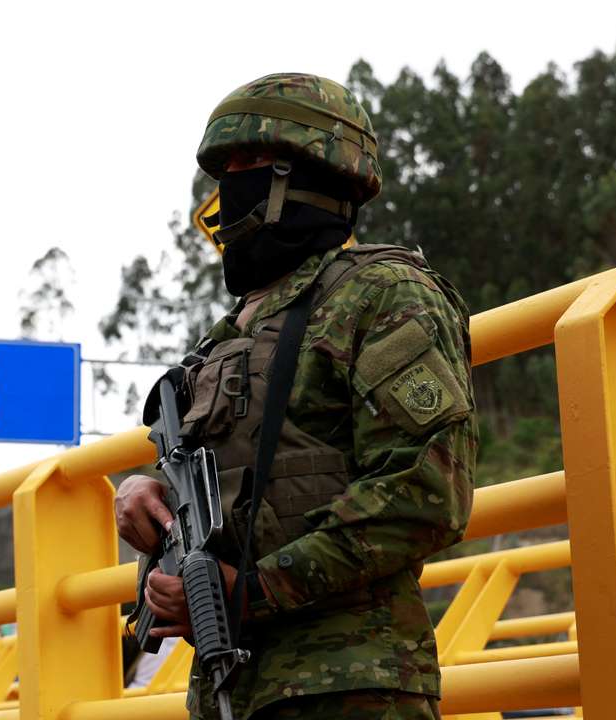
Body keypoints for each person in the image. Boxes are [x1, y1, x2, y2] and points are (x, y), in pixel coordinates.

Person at [114, 73, 477, 720]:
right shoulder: (234, 332)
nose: (230, 184)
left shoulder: (382, 294)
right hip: (229, 687)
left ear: (306, 172)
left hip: (347, 685)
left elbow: (426, 490)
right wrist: (149, 497)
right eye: (225, 168)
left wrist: (251, 590)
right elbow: (246, 478)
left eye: (250, 164)